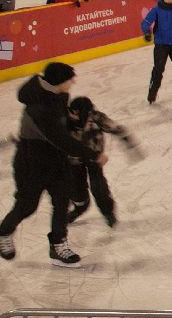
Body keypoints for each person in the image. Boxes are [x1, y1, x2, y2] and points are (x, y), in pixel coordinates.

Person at [0, 62, 104, 266]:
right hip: (31, 162)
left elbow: (63, 126)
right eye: (70, 78)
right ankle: (3, 233)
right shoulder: (39, 108)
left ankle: (58, 245)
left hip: (56, 159)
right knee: (27, 205)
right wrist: (92, 154)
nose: (73, 81)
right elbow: (60, 139)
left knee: (62, 201)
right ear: (59, 81)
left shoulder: (59, 95)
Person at [64, 95, 138, 228]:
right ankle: (80, 206)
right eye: (72, 112)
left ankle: (108, 212)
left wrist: (129, 142)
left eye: (76, 113)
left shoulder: (96, 117)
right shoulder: (65, 120)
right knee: (76, 187)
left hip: (94, 158)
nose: (73, 115)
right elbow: (54, 137)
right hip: (74, 160)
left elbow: (115, 128)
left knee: (99, 187)